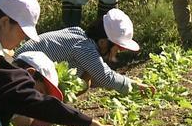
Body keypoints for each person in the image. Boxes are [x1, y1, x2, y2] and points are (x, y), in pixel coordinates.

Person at [16, 9, 155, 95]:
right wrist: (137, 87)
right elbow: (105, 77)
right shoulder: (84, 47)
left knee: (85, 80)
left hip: (24, 69)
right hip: (23, 74)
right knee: (85, 81)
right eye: (118, 48)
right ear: (103, 42)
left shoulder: (79, 36)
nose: (118, 52)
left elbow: (97, 77)